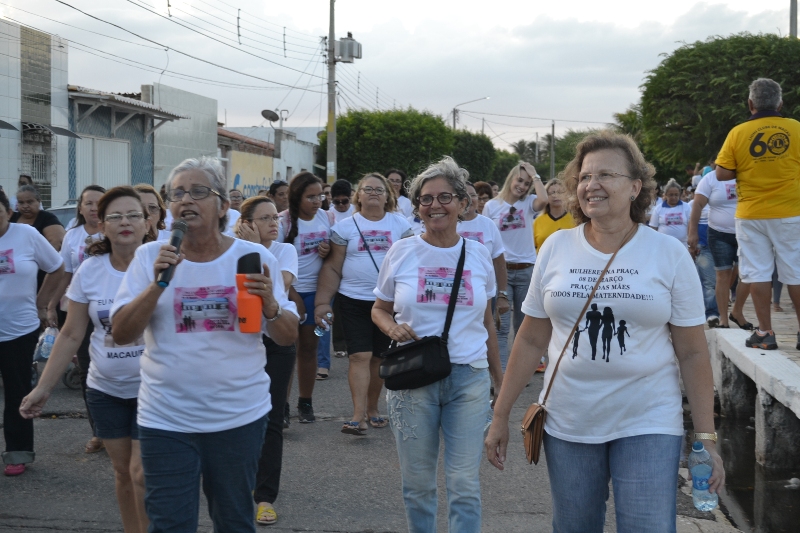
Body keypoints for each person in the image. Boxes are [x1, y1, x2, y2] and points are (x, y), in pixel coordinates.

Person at [485, 130, 724, 532]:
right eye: (584, 176)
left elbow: (693, 352)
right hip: (569, 422)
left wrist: (707, 439)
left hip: (648, 420)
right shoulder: (556, 247)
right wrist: (500, 415)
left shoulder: (668, 253)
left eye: (605, 175)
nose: (591, 185)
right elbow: (530, 338)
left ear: (635, 187)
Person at [110, 157, 298, 533]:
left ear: (223, 205)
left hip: (238, 417)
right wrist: (157, 285)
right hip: (166, 418)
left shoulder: (254, 258)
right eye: (176, 193)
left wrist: (271, 306)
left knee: (234, 520)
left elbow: (287, 335)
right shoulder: (150, 257)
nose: (185, 200)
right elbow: (121, 333)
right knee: (169, 524)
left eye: (198, 191)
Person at [372, 157, 503, 533]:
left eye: (445, 197)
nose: (435, 205)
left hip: (469, 378)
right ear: (417, 207)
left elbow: (487, 322)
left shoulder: (478, 254)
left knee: (464, 484)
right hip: (413, 377)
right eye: (425, 199)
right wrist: (392, 328)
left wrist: (500, 381)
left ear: (463, 203)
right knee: (417, 486)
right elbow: (379, 309)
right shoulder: (401, 251)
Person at [20, 186, 151, 531]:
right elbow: (71, 334)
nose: (125, 222)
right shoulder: (90, 270)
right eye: (116, 216)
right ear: (102, 225)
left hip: (154, 390)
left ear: (147, 223)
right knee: (122, 473)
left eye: (133, 215)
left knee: (142, 473)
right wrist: (43, 388)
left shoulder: (162, 265)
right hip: (105, 391)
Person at [314, 173, 412, 435]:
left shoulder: (401, 225)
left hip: (388, 303)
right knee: (359, 355)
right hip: (352, 300)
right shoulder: (344, 227)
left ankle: (373, 409)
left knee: (379, 357)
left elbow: (410, 264)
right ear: (358, 195)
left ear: (388, 196)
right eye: (368, 189)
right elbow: (333, 267)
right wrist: (322, 302)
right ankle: (358, 415)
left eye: (379, 189)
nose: (373, 193)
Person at [715, 78, 800, 350]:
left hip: (752, 214)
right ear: (780, 104)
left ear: (750, 103)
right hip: (791, 212)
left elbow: (721, 173)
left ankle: (765, 333)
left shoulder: (738, 132)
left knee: (758, 272)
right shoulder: (796, 128)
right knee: (796, 273)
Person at [234, 196, 299, 526]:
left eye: (276, 217)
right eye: (265, 218)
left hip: (276, 338)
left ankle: (265, 497)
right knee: (237, 418)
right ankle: (237, 482)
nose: (274, 223)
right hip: (241, 341)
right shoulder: (229, 251)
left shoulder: (284, 251)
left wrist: (255, 249)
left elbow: (278, 287)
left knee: (272, 420)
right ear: (246, 223)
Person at [0, 189, 65, 477]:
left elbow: (57, 267)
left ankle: (18, 452)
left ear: (8, 212)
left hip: (18, 330)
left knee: (17, 393)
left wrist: (41, 303)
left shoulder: (26, 234)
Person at [482, 162, 548, 371]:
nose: (522, 186)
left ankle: (520, 373)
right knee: (501, 328)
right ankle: (501, 376)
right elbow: (486, 238)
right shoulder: (491, 206)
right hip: (502, 273)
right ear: (511, 178)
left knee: (523, 327)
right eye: (519, 180)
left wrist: (535, 175)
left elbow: (544, 200)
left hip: (526, 271)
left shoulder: (528, 203)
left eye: (527, 183)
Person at [56, 184, 107, 454]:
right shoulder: (72, 235)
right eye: (88, 203)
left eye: (99, 202)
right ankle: (98, 432)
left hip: (109, 309)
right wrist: (51, 303)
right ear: (80, 207)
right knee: (88, 371)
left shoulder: (113, 231)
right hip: (79, 310)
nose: (94, 208)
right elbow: (65, 272)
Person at [278, 173, 332, 421]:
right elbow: (275, 262)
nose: (317, 201)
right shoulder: (283, 222)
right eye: (311, 197)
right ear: (297, 197)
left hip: (317, 294)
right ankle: (283, 406)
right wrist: (293, 295)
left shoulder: (325, 217)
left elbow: (333, 256)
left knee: (310, 348)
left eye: (320, 195)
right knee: (287, 350)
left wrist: (327, 250)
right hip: (288, 293)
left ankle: (305, 402)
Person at [688, 171, 752, 330]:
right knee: (722, 275)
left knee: (748, 274)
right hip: (719, 233)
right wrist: (693, 231)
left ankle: (737, 311)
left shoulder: (747, 173)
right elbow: (697, 204)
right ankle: (723, 318)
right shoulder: (710, 178)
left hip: (747, 232)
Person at [460, 182, 510, 328]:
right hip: (455, 292)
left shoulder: (488, 224)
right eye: (465, 195)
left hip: (484, 294)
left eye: (473, 195)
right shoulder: (448, 224)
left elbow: (499, 262)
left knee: (485, 331)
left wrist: (502, 294)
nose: (470, 199)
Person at [11, 185, 64, 253]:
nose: (25, 206)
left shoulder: (47, 218)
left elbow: (56, 243)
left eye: (29, 202)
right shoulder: (12, 218)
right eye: (21, 202)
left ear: (38, 201)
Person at [533, 179, 575, 253]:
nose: (555, 196)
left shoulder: (575, 219)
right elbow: (531, 247)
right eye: (552, 193)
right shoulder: (538, 221)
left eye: (559, 192)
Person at [648, 179, 692, 245]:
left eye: (676, 195)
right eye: (671, 195)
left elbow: (691, 225)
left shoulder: (686, 207)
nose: (674, 197)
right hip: (663, 244)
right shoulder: (658, 208)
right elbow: (653, 228)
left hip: (682, 244)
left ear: (679, 194)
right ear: (666, 194)